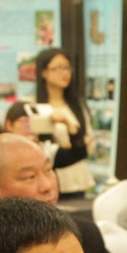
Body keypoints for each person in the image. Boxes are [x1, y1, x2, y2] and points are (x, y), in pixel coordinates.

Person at [31, 47, 94, 198]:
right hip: (48, 175)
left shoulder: (77, 105)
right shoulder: (33, 104)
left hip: (76, 176)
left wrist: (76, 145)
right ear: (44, 72)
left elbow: (89, 142)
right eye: (58, 68)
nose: (64, 73)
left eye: (67, 68)